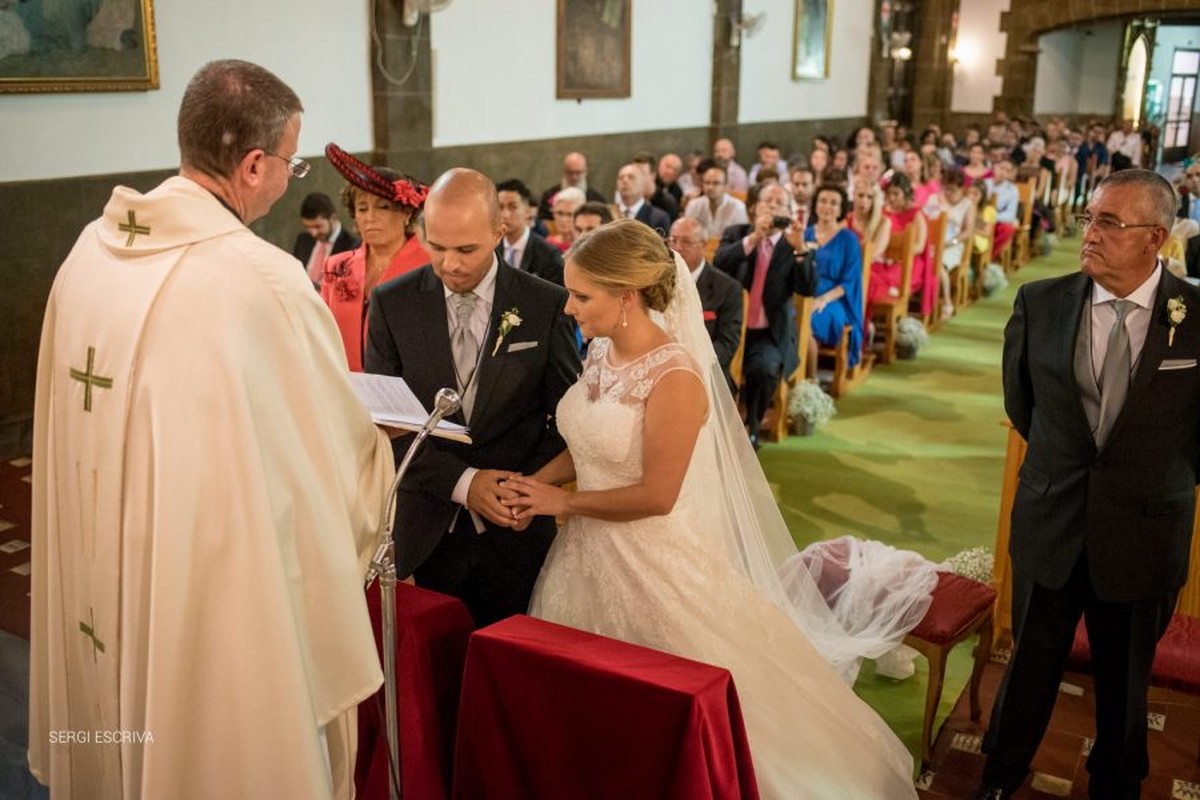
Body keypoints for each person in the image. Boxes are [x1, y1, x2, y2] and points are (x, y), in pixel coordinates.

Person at [29, 59, 396, 800]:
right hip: (210, 588)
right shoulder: (260, 279)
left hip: (113, 560)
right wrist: (381, 475)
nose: (289, 180)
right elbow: (334, 454)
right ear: (254, 163)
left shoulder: (85, 256)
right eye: (290, 165)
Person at [501, 219, 931, 799]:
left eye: (583, 295)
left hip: (651, 557)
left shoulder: (676, 376)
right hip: (585, 551)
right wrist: (534, 484)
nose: (571, 307)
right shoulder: (600, 350)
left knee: (675, 695)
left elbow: (658, 494)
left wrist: (563, 501)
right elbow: (585, 444)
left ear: (626, 296)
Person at [977, 169, 1200, 800]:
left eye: (1109, 222)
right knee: (1029, 665)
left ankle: (1116, 784)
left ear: (1155, 237)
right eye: (1089, 219)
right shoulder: (1040, 303)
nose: (1091, 234)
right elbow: (1025, 407)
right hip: (1053, 519)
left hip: (1144, 528)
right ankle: (998, 777)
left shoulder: (1196, 317)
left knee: (1127, 678)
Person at [364, 168, 581, 627]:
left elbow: (567, 416)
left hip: (518, 527)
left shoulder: (545, 303)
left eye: (466, 249)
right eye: (436, 247)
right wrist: (465, 484)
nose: (451, 264)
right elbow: (388, 421)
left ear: (499, 232)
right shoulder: (391, 303)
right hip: (428, 524)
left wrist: (523, 491)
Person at [713, 182, 817, 448]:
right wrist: (754, 239)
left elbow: (807, 288)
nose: (772, 206)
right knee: (712, 363)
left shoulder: (792, 245)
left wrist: (799, 250)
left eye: (779, 203)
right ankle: (716, 427)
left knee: (763, 368)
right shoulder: (737, 234)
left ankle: (753, 426)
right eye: (766, 201)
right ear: (753, 207)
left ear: (788, 213)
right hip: (730, 328)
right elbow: (719, 265)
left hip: (768, 334)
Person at [320, 145, 429, 372]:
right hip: (348, 389)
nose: (370, 217)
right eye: (362, 208)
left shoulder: (430, 265)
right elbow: (323, 333)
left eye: (383, 207)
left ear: (406, 213)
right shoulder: (337, 266)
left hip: (408, 390)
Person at [669, 216, 743, 391]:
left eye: (686, 242)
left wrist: (689, 365)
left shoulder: (727, 288)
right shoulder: (657, 281)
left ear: (703, 244)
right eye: (673, 240)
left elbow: (727, 344)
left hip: (706, 373)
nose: (677, 248)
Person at [805, 184, 865, 376]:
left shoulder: (848, 239)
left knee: (807, 325)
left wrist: (822, 300)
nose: (827, 206)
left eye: (833, 203)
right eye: (823, 201)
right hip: (805, 295)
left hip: (834, 299)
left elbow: (849, 282)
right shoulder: (805, 234)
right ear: (815, 205)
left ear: (841, 209)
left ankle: (811, 379)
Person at [496, 178, 565, 285]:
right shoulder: (491, 249)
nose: (505, 215)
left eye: (513, 207)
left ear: (527, 210)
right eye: (500, 207)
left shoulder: (549, 254)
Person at [293, 191, 359, 285]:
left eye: (318, 226)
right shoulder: (303, 240)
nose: (313, 233)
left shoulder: (353, 247)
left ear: (333, 218)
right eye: (308, 227)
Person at [683, 161, 749, 239]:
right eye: (707, 183)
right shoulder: (693, 205)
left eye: (716, 183)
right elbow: (687, 235)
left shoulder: (738, 207)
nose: (710, 187)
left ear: (725, 186)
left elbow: (739, 240)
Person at [537, 151, 606, 219]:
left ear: (585, 172)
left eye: (578, 172)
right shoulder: (549, 195)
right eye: (570, 172)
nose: (574, 177)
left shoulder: (597, 199)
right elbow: (544, 221)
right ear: (564, 171)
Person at [547, 186, 586, 252]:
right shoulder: (546, 244)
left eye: (569, 214)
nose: (563, 219)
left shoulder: (586, 245)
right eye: (560, 213)